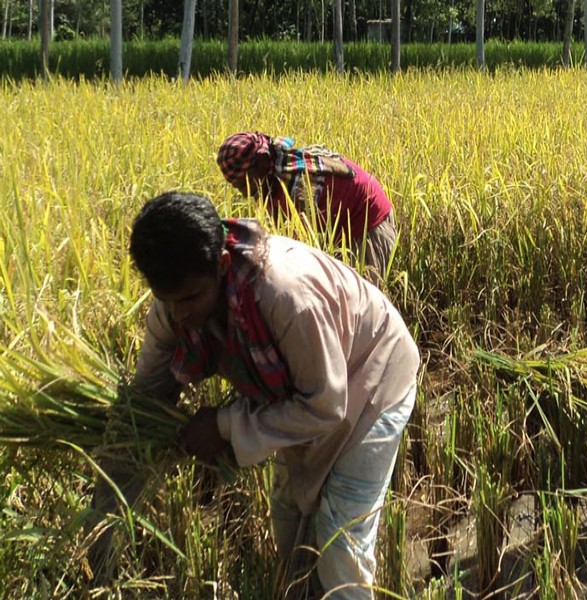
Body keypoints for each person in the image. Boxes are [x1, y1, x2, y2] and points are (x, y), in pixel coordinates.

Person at [93, 191, 419, 598]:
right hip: (307, 386)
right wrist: (105, 509)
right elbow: (145, 402)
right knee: (291, 522)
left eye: (190, 298)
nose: (180, 315)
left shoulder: (286, 297)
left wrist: (224, 425)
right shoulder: (174, 311)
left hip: (373, 371)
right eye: (168, 301)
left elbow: (325, 404)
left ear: (222, 265)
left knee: (340, 542)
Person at [217, 132, 396, 283]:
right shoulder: (272, 176)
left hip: (369, 224)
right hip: (340, 227)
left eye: (244, 185)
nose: (245, 193)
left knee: (358, 302)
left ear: (262, 162)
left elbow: (301, 255)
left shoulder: (299, 190)